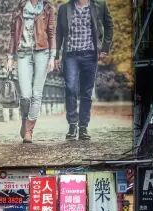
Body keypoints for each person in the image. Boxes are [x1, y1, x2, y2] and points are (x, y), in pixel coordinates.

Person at [54, 0, 114, 141]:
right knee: (70, 88)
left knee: (86, 92)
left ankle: (83, 127)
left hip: (90, 55)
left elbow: (109, 26)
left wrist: (104, 48)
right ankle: (72, 125)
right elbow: (59, 33)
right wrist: (56, 55)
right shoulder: (64, 8)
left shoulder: (100, 5)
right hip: (70, 55)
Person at [6, 0, 57, 143]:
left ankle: (29, 130)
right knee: (26, 95)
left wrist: (52, 57)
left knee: (36, 94)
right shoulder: (19, 8)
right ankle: (25, 118)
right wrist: (10, 57)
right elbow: (13, 34)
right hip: (23, 54)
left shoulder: (47, 8)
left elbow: (51, 33)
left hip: (42, 53)